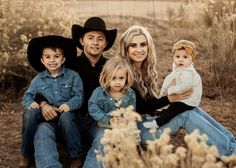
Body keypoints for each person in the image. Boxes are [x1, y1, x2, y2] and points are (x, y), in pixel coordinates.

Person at [119, 25, 236, 156]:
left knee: (190, 108)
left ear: (148, 47)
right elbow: (141, 107)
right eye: (133, 45)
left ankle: (232, 143)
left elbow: (150, 105)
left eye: (143, 45)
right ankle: (230, 153)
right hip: (139, 133)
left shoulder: (144, 70)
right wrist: (170, 98)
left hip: (149, 120)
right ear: (126, 48)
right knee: (184, 114)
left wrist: (167, 107)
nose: (139, 49)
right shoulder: (122, 72)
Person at [33, 16, 117, 168]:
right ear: (81, 41)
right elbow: (40, 86)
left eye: (100, 39)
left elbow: (126, 91)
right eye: (90, 38)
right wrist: (44, 104)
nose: (95, 42)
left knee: (106, 136)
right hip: (66, 120)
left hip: (97, 122)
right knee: (42, 129)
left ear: (105, 43)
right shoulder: (68, 65)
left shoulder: (112, 67)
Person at [21, 35, 84, 168]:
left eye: (56, 56)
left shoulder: (73, 76)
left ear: (63, 59)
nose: (52, 60)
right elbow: (27, 97)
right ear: (42, 61)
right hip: (46, 117)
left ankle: (76, 156)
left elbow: (79, 96)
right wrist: (31, 103)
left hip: (66, 115)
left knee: (67, 117)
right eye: (48, 57)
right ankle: (26, 153)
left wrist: (69, 105)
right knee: (29, 114)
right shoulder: (38, 80)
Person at [143, 39, 202, 128]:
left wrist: (170, 90)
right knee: (169, 107)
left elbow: (185, 86)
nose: (180, 60)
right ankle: (158, 114)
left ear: (192, 59)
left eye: (185, 57)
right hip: (180, 98)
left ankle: (158, 123)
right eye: (177, 57)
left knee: (173, 109)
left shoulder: (189, 73)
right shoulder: (179, 69)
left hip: (187, 100)